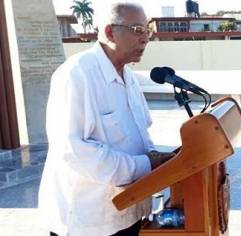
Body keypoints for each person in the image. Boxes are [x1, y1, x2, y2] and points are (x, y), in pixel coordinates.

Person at [38, 2, 175, 235]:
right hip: (88, 221)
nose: (145, 39)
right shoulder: (76, 75)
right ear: (110, 32)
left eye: (147, 30)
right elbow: (74, 150)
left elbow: (142, 134)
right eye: (137, 30)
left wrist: (160, 161)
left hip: (129, 212)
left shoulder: (129, 76)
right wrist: (146, 165)